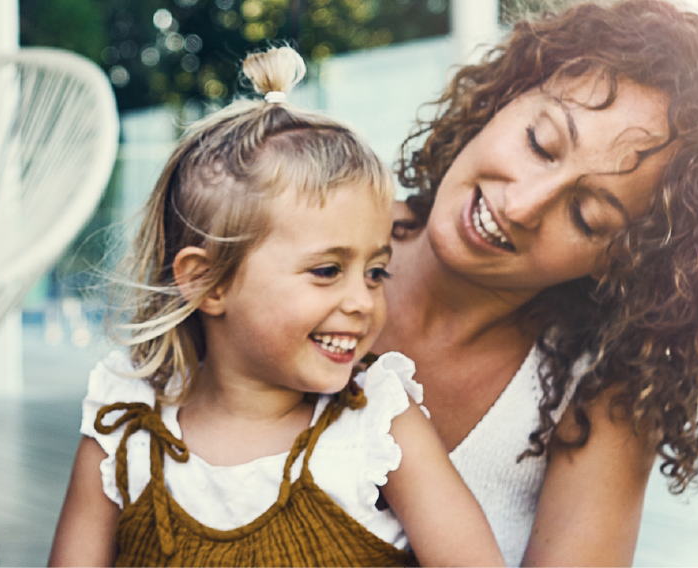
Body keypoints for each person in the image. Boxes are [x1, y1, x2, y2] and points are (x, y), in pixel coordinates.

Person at [47, 49, 502, 568]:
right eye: (327, 270)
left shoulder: (377, 426)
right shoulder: (125, 426)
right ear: (207, 283)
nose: (363, 302)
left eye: (376, 272)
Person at [375, 0, 698, 565]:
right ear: (506, 97)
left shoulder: (599, 400)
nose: (521, 205)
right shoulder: (297, 229)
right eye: (540, 143)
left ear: (623, 261)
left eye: (587, 217)